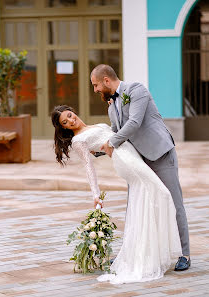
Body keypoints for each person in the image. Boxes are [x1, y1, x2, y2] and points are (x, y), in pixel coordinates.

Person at [51, 105, 182, 284]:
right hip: (124, 159)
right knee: (162, 193)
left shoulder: (92, 127)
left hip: (131, 154)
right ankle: (148, 253)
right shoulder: (78, 141)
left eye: (70, 116)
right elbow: (89, 167)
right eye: (65, 122)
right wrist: (95, 194)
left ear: (73, 111)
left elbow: (112, 135)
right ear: (64, 128)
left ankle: (148, 253)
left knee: (146, 199)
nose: (71, 121)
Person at [90, 64, 191, 271]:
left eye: (96, 85)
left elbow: (134, 122)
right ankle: (129, 254)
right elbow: (118, 134)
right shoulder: (111, 106)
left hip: (160, 153)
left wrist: (112, 142)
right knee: (136, 205)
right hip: (139, 161)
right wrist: (100, 149)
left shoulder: (137, 90)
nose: (95, 90)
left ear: (106, 80)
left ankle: (185, 254)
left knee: (174, 202)